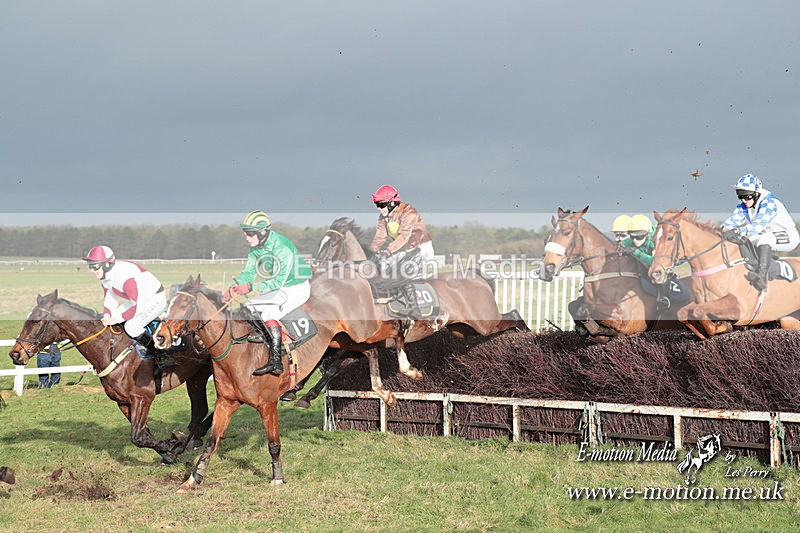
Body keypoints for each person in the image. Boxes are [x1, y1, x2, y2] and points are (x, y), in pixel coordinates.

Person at [223, 210, 313, 376]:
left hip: (296, 287)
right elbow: (249, 272)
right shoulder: (256, 248)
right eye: (245, 233)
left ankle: (276, 361)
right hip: (279, 289)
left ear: (262, 232)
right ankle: (267, 340)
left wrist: (250, 287)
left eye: (250, 233)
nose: (247, 237)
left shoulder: (282, 247)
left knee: (268, 314)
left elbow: (279, 281)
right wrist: (236, 287)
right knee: (249, 307)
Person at [82, 245, 167, 357]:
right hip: (140, 299)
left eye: (95, 266)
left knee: (131, 326)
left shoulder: (124, 276)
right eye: (90, 266)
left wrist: (116, 319)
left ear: (107, 264)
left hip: (154, 299)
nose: (92, 270)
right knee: (115, 317)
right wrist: (107, 316)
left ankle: (160, 353)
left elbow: (139, 305)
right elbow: (110, 300)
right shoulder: (105, 278)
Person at [721, 173, 800, 291]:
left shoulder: (769, 202)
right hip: (766, 235)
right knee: (744, 240)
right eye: (740, 196)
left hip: (789, 236)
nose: (744, 200)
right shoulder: (743, 205)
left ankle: (763, 276)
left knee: (765, 238)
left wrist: (737, 231)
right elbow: (731, 222)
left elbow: (757, 227)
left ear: (757, 193)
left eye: (747, 196)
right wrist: (720, 231)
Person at [369, 184, 434, 315]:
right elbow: (380, 236)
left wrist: (388, 251)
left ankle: (415, 309)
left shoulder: (409, 212)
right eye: (377, 205)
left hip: (420, 249)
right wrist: (371, 252)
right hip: (403, 249)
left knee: (401, 272)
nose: (379, 209)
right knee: (381, 267)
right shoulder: (384, 216)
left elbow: (404, 236)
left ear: (392, 202)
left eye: (381, 205)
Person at [622, 214, 691, 311]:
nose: (635, 240)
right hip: (642, 269)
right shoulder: (629, 241)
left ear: (648, 233)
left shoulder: (655, 241)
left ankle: (663, 298)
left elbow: (656, 262)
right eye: (632, 237)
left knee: (658, 274)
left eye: (639, 237)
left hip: (661, 268)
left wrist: (637, 253)